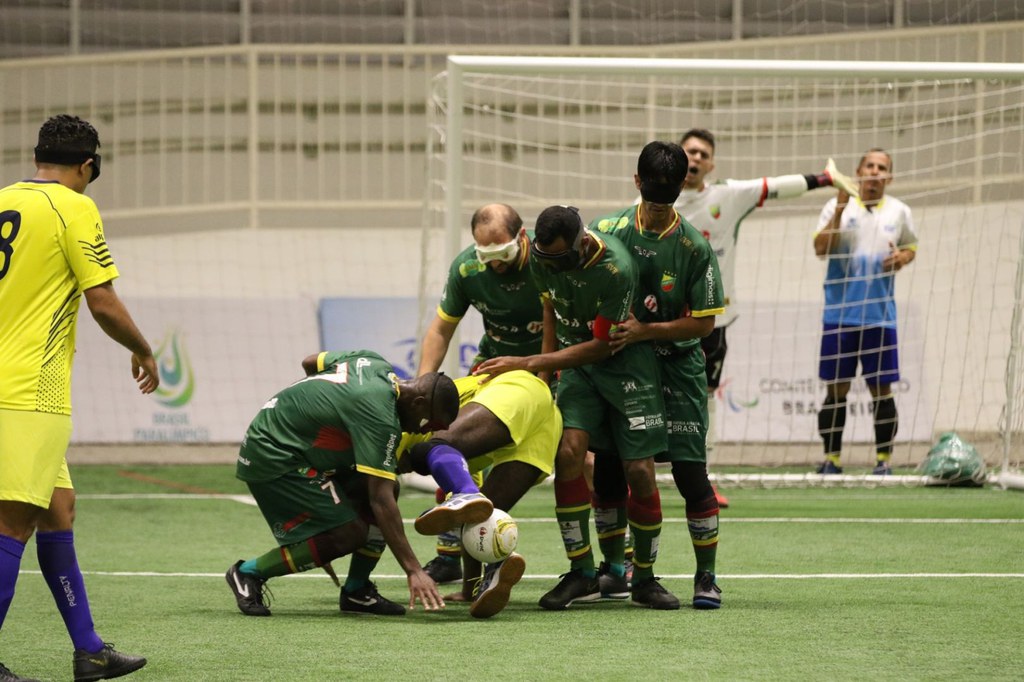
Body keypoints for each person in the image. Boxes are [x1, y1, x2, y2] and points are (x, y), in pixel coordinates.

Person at [0, 114, 157, 682]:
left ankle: (88, 651)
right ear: (88, 166)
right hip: (28, 393)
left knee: (57, 509)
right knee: (12, 523)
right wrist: (144, 349)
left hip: (7, 389)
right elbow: (103, 302)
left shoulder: (3, 200)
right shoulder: (75, 207)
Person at [475, 205, 679, 610]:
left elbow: (604, 345)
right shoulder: (541, 258)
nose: (555, 267)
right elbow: (550, 308)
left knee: (638, 469)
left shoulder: (616, 269)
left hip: (624, 367)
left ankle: (643, 577)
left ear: (583, 242)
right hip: (575, 369)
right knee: (568, 453)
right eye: (546, 259)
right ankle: (582, 572)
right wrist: (544, 376)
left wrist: (531, 362)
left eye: (563, 260)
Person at [674, 128, 861, 505]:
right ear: (677, 156)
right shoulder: (650, 201)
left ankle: (702, 480)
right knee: (649, 398)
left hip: (713, 319)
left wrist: (824, 179)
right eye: (689, 152)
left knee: (704, 399)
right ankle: (632, 477)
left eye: (702, 154)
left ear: (711, 164)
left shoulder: (726, 195)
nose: (695, 159)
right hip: (661, 320)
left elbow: (773, 186)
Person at [592, 140, 727, 609]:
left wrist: (647, 330)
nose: (654, 212)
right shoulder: (606, 231)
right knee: (609, 468)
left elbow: (706, 321)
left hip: (677, 366)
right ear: (636, 184)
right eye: (650, 200)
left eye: (663, 201)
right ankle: (614, 570)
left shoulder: (693, 247)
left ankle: (706, 576)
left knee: (691, 474)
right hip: (622, 367)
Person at [225, 350, 460, 618]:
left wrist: (314, 408)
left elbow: (310, 361)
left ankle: (357, 591)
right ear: (418, 402)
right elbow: (379, 501)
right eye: (430, 423)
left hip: (292, 446)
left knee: (389, 487)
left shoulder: (372, 361)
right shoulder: (380, 419)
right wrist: (414, 570)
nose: (423, 431)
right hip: (273, 455)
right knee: (348, 533)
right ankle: (248, 573)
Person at [416, 203, 545, 585]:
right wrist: (425, 387)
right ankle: (449, 555)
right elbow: (440, 331)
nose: (494, 264)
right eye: (485, 255)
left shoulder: (548, 263)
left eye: (502, 253)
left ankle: (597, 569)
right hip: (492, 369)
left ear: (523, 237)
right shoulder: (467, 268)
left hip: (551, 370)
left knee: (580, 458)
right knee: (449, 437)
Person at [387, 369, 560, 618]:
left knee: (432, 447)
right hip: (543, 426)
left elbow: (378, 497)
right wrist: (469, 587)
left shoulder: (394, 431)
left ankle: (469, 498)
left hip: (519, 391)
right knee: (480, 521)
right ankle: (493, 574)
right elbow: (473, 512)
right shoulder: (451, 466)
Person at [812, 148, 917, 475]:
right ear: (858, 172)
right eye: (869, 165)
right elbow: (819, 249)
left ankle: (883, 462)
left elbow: (911, 246)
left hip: (880, 318)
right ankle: (832, 460)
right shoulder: (835, 206)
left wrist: (903, 258)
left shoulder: (900, 211)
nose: (874, 171)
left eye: (881, 167)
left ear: (889, 176)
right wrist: (841, 206)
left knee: (881, 391)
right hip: (839, 316)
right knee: (835, 390)